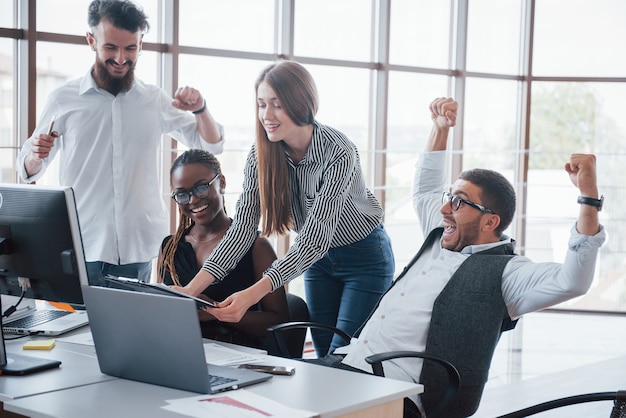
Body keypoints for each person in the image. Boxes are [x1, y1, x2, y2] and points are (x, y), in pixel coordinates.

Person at [307, 97, 606, 418]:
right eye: (449, 197)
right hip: (346, 365)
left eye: (459, 202)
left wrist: (587, 196)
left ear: (490, 221)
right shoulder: (439, 236)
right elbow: (424, 190)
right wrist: (440, 129)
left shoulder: (507, 273)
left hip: (394, 393)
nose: (444, 208)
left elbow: (573, 281)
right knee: (257, 391)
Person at [173, 60, 395, 357]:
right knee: (322, 353)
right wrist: (191, 291)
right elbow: (241, 231)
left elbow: (314, 239)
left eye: (276, 105)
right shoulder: (260, 154)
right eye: (262, 105)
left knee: (345, 358)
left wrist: (250, 296)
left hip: (364, 257)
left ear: (301, 102)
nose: (267, 115)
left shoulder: (339, 151)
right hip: (317, 262)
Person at [16, 0, 223, 287]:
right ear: (92, 41)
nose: (121, 58)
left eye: (130, 48)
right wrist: (37, 156)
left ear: (141, 44)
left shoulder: (153, 100)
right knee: (76, 330)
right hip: (83, 243)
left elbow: (210, 144)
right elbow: (27, 169)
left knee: (129, 330)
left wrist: (200, 109)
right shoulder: (63, 98)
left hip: (138, 247)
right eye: (111, 47)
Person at [157, 149, 289, 354]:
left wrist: (216, 313)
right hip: (184, 352)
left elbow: (278, 320)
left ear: (222, 183)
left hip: (241, 354)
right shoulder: (170, 247)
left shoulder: (256, 245)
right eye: (182, 194)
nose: (192, 200)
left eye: (201, 188)